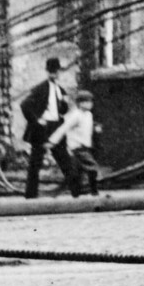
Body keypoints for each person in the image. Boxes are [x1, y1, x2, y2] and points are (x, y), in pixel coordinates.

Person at [20, 57, 72, 199]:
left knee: (64, 159)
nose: (55, 74)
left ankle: (76, 191)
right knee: (35, 162)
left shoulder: (61, 90)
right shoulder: (40, 88)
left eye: (56, 71)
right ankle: (31, 195)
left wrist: (65, 102)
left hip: (56, 126)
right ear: (48, 72)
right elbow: (24, 105)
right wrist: (36, 120)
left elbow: (63, 111)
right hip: (42, 128)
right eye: (52, 71)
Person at [51, 90, 99, 196]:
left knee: (77, 172)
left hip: (85, 146)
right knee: (92, 168)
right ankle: (94, 192)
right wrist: (52, 141)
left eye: (90, 101)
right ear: (79, 103)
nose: (89, 104)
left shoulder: (89, 115)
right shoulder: (75, 115)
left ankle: (76, 194)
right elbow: (63, 128)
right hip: (77, 147)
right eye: (86, 102)